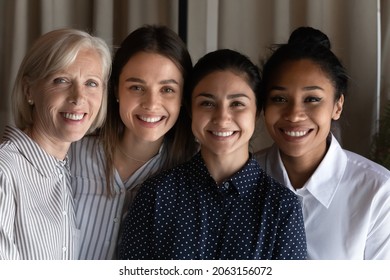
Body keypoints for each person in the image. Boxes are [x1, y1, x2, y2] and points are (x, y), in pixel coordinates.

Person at [118, 49, 307, 260]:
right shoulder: (157, 195)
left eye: (237, 104)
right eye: (207, 103)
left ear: (257, 112)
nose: (222, 118)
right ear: (190, 110)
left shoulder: (282, 208)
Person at [255, 26, 390, 259]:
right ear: (264, 106)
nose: (295, 114)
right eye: (279, 99)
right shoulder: (241, 179)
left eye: (312, 99)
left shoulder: (378, 193)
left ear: (337, 105)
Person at [69, 25, 198, 259]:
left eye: (167, 89)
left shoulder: (193, 176)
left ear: (183, 98)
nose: (151, 104)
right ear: (116, 89)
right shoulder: (71, 155)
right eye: (137, 87)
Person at [0, 28, 111, 260]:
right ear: (29, 90)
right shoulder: (5, 171)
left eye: (91, 83)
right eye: (61, 80)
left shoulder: (64, 170)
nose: (78, 97)